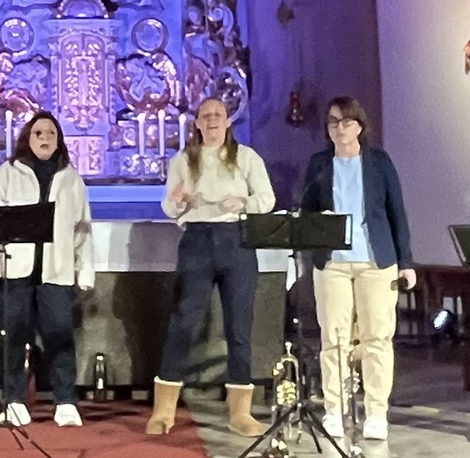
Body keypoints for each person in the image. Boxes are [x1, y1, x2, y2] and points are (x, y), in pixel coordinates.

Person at [147, 96, 276, 438]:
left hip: (237, 240)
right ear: (198, 123)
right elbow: (169, 207)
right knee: (183, 322)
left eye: (218, 114)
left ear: (228, 121)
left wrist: (245, 201)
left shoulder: (246, 158)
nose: (213, 119)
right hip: (198, 241)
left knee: (238, 327)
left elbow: (267, 199)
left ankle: (240, 412)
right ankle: (164, 409)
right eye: (206, 115)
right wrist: (177, 202)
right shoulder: (183, 161)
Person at [299, 95, 416, 442]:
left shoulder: (378, 161)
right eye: (333, 122)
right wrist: (320, 221)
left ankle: (376, 412)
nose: (339, 128)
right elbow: (306, 211)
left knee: (377, 338)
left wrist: (406, 262)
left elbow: (398, 213)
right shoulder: (320, 163)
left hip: (375, 262)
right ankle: (334, 409)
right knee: (333, 338)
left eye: (346, 122)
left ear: (359, 126)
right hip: (332, 263)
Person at [0, 111, 96, 427]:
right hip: (17, 269)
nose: (45, 139)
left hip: (55, 272)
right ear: (28, 138)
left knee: (60, 334)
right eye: (39, 133)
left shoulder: (71, 178)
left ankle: (66, 401)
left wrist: (84, 271)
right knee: (14, 335)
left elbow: (82, 229)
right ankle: (15, 400)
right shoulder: (9, 172)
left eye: (51, 134)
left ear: (59, 141)